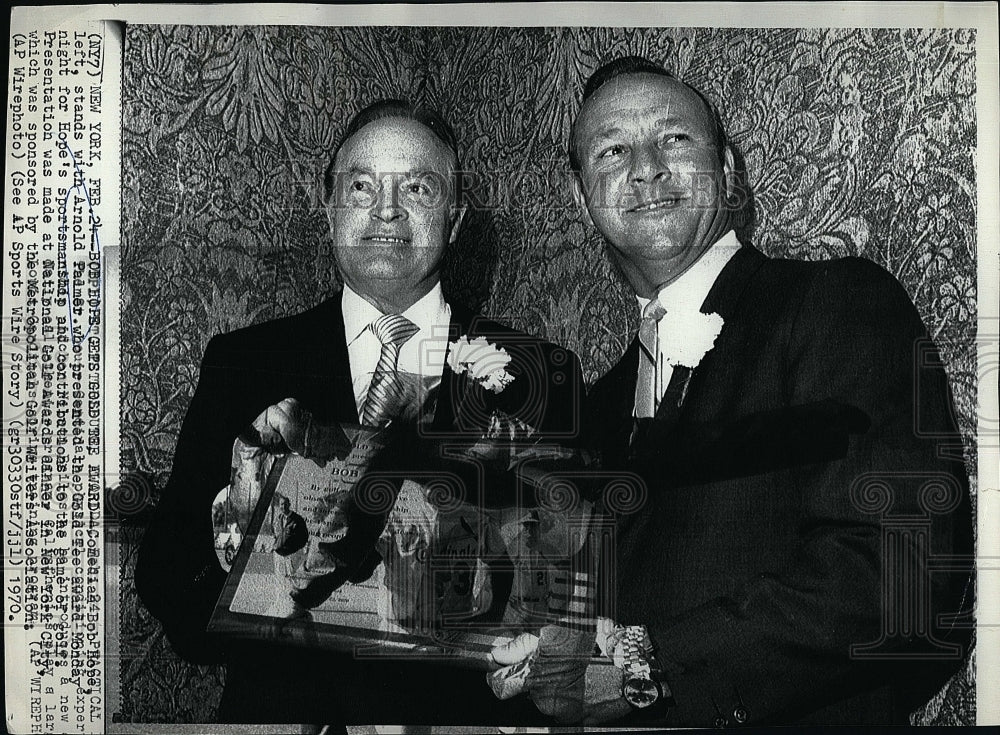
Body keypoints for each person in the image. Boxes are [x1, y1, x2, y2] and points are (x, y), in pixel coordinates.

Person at [506, 56, 973, 726]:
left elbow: (900, 574)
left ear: (728, 172)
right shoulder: (598, 405)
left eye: (674, 138)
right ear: (583, 200)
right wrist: (547, 658)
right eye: (612, 150)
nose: (645, 166)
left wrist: (649, 663)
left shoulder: (833, 304)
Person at [135, 98, 584, 725]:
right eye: (362, 186)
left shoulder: (538, 374)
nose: (387, 211)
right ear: (329, 210)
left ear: (455, 219)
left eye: (418, 187)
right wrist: (276, 611)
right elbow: (167, 568)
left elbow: (570, 573)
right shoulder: (244, 362)